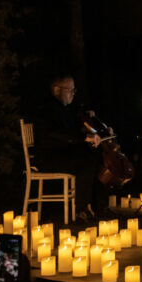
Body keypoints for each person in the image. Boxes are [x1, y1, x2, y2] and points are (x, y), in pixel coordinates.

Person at [32, 75, 103, 221]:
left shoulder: (64, 109)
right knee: (86, 162)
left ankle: (91, 205)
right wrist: (84, 138)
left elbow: (75, 130)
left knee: (91, 157)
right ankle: (81, 209)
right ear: (57, 90)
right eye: (69, 89)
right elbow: (56, 133)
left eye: (74, 90)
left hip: (59, 155)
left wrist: (99, 130)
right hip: (48, 158)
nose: (73, 93)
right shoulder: (47, 110)